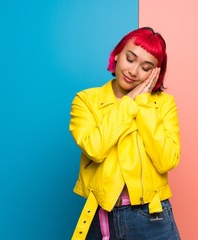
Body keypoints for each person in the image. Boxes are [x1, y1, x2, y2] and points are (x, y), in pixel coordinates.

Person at [69, 27, 181, 240]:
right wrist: (128, 104)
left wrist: (144, 105)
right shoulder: (86, 101)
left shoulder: (163, 105)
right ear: (118, 54)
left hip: (152, 217)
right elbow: (95, 149)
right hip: (101, 214)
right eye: (130, 59)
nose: (133, 71)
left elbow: (167, 161)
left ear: (155, 73)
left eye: (146, 67)